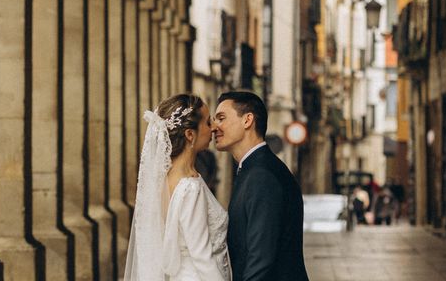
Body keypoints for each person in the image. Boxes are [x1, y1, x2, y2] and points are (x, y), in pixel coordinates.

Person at [124, 94, 231, 280]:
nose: (214, 127)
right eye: (207, 122)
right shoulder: (190, 187)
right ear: (190, 134)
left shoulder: (162, 182)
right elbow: (202, 257)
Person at [213, 91, 309, 281]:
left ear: (248, 120)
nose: (214, 127)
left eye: (221, 118)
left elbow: (261, 260)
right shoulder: (253, 168)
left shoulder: (261, 176)